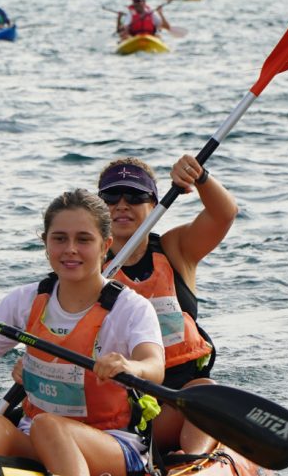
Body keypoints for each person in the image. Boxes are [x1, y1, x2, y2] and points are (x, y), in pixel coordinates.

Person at [0, 190, 165, 476]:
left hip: (111, 443)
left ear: (106, 245)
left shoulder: (131, 308)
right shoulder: (25, 300)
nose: (70, 249)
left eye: (84, 239)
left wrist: (130, 367)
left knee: (47, 426)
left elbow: (154, 367)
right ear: (46, 244)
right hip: (36, 435)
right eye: (60, 239)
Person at [92, 156, 235, 455]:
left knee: (205, 390)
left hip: (177, 403)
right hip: (119, 411)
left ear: (155, 204)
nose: (122, 205)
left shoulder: (176, 249)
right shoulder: (87, 267)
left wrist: (200, 177)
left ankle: (193, 459)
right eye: (111, 197)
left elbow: (223, 214)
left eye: (135, 196)